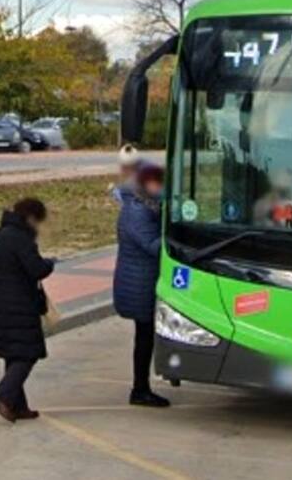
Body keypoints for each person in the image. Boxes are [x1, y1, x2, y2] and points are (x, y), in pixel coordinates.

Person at [0, 198, 56, 423]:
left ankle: (18, 406)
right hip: (20, 305)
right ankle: (2, 395)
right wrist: (49, 264)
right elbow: (36, 269)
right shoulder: (21, 239)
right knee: (27, 353)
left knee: (13, 354)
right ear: (31, 217)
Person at [114, 163, 171, 407]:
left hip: (145, 279)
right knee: (145, 336)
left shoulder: (146, 205)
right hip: (138, 284)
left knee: (147, 335)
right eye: (159, 184)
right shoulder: (137, 211)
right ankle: (140, 388)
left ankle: (142, 385)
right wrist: (176, 238)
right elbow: (152, 245)